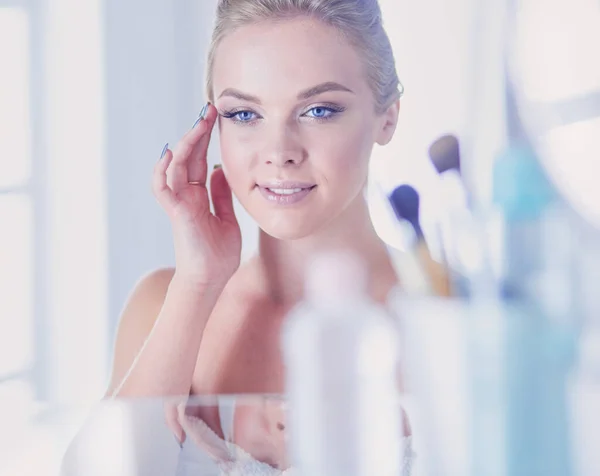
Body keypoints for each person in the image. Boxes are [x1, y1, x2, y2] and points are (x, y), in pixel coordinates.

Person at [88, 0, 412, 473]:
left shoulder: (455, 312)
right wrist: (197, 284)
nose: (279, 152)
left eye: (319, 110)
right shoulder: (162, 305)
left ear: (387, 117)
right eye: (244, 115)